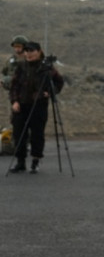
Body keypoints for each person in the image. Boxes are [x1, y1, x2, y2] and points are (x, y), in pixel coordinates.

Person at [9, 41, 65, 173]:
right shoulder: (21, 67)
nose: (28, 54)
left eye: (32, 51)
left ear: (38, 52)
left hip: (38, 105)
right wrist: (14, 101)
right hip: (21, 105)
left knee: (37, 134)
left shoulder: (46, 68)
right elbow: (14, 86)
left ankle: (35, 160)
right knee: (19, 134)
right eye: (26, 51)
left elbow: (59, 82)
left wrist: (51, 92)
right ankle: (20, 161)